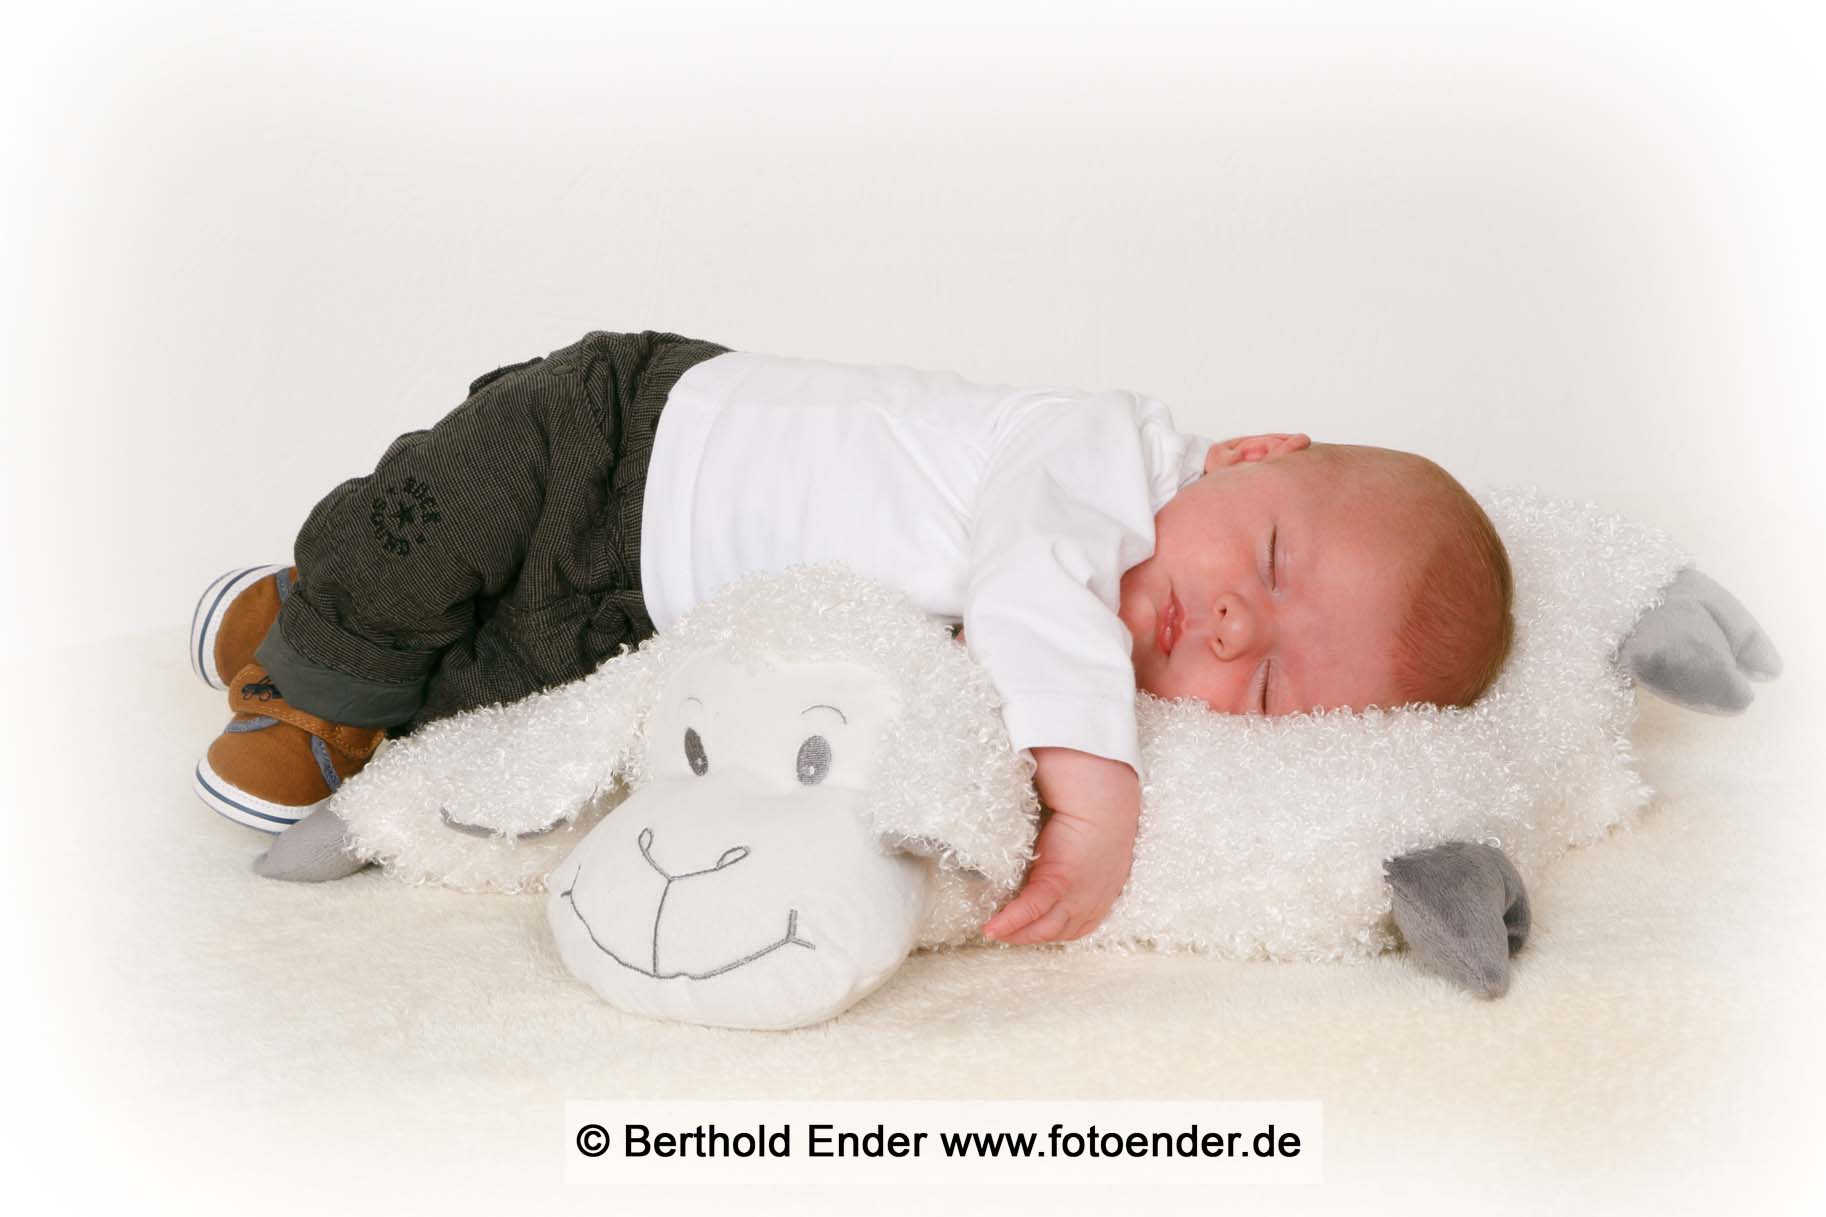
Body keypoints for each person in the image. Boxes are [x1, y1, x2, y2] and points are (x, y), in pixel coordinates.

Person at [188, 329, 1513, 944]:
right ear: (1250, 452)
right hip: (627, 443)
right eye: (1268, 561)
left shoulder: (1086, 675)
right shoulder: (1100, 453)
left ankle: (286, 613)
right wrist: (1095, 801)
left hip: (642, 616)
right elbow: (1030, 576)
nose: (1227, 625)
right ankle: (309, 687)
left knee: (479, 683)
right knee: (440, 517)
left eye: (1267, 681)